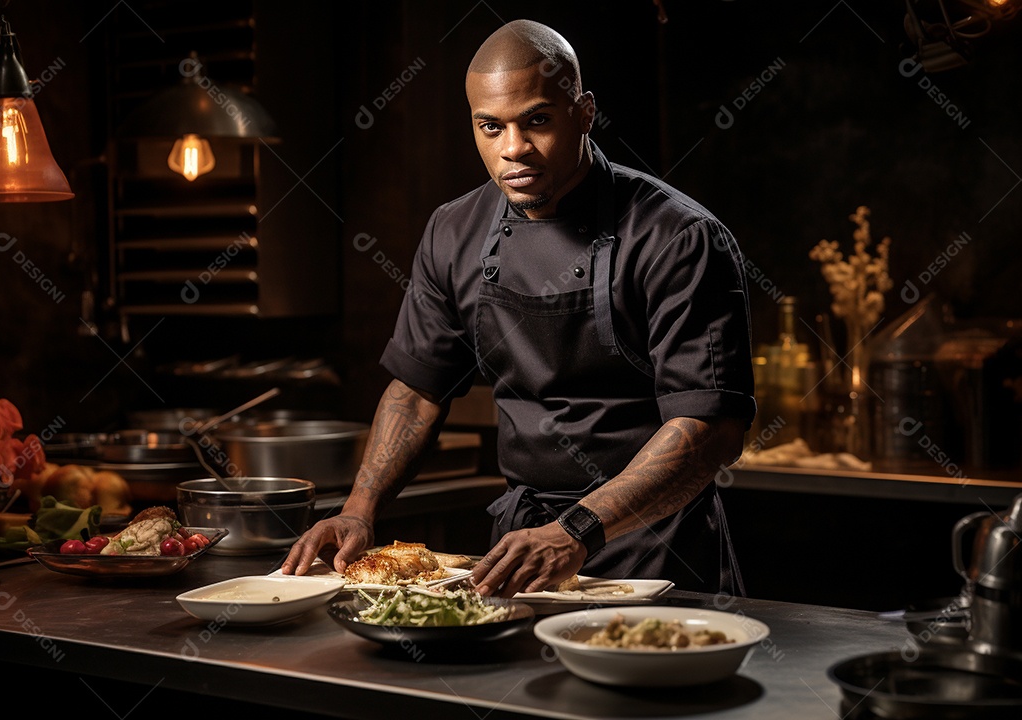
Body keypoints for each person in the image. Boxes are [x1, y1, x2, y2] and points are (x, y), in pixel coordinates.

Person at [283, 19, 756, 597]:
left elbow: (711, 430)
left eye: (537, 120)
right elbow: (417, 391)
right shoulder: (453, 231)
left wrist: (578, 529)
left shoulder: (677, 237)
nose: (513, 149)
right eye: (491, 127)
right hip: (522, 547)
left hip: (655, 547)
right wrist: (358, 508)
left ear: (583, 113)